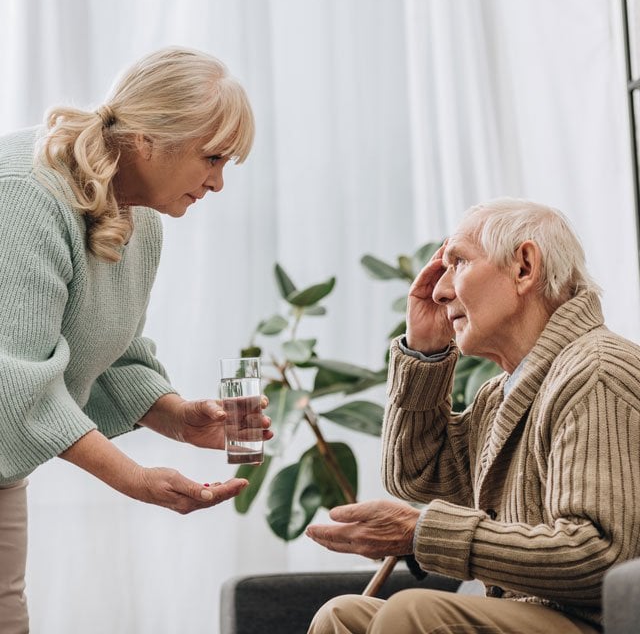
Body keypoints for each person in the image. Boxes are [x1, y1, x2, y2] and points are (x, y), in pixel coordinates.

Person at [0, 46, 272, 633]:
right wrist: (135, 479)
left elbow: (113, 349)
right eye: (213, 158)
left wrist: (178, 416)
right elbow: (13, 381)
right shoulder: (27, 193)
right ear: (150, 139)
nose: (219, 183)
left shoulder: (138, 213)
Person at [305, 198, 640, 633]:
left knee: (414, 613)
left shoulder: (596, 372)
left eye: (458, 262)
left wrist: (424, 532)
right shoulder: (502, 394)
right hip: (536, 617)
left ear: (524, 267)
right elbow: (414, 473)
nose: (440, 290)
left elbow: (602, 556)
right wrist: (424, 350)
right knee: (341, 617)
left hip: (596, 622)